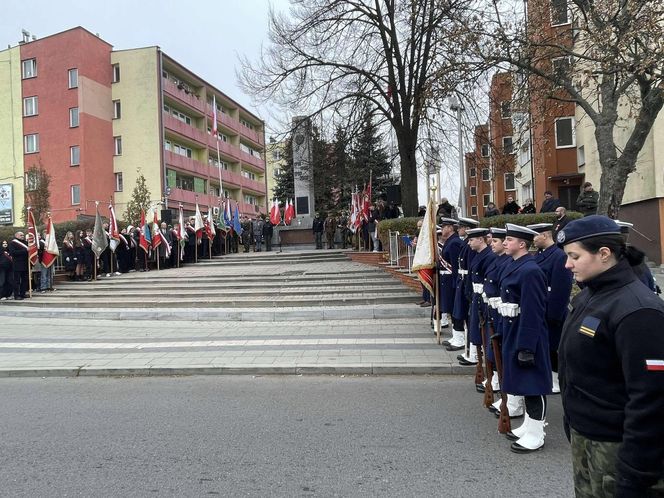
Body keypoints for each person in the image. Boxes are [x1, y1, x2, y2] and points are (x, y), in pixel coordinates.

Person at [557, 215, 664, 497]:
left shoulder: (638, 310)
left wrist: (635, 471)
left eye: (574, 256)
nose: (567, 264)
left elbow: (651, 398)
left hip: (616, 448)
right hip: (587, 437)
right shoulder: (590, 296)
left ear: (604, 254)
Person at [500, 223, 551, 453]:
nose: (504, 243)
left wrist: (527, 346)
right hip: (514, 328)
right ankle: (529, 424)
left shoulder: (530, 270)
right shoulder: (516, 265)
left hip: (527, 332)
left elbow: (533, 310)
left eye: (509, 240)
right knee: (522, 381)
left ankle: (536, 432)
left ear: (522, 244)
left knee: (533, 385)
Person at [528, 223, 574, 394]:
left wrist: (553, 313)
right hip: (541, 305)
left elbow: (561, 289)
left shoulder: (559, 256)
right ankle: (549, 376)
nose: (533, 239)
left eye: (536, 236)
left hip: (552, 308)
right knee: (546, 346)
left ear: (546, 235)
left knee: (554, 346)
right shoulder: (540, 254)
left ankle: (556, 379)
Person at [464, 228, 496, 381]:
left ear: (481, 240)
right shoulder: (478, 255)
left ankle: (491, 376)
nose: (469, 242)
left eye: (471, 240)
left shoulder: (489, 256)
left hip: (484, 299)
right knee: (477, 333)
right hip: (476, 297)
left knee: (484, 335)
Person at [437, 218, 464, 347]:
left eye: (443, 227)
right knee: (451, 309)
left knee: (455, 309)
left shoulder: (454, 243)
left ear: (450, 228)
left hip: (451, 281)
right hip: (446, 280)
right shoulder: (450, 241)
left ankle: (460, 338)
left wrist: (456, 284)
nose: (442, 230)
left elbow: (455, 266)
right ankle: (456, 335)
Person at [9, 232, 30, 300]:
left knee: (25, 280)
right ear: (16, 235)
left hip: (25, 264)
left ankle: (22, 294)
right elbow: (13, 252)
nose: (22, 236)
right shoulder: (13, 243)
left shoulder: (26, 243)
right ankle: (16, 295)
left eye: (23, 235)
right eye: (21, 235)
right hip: (17, 265)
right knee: (17, 281)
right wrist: (24, 251)